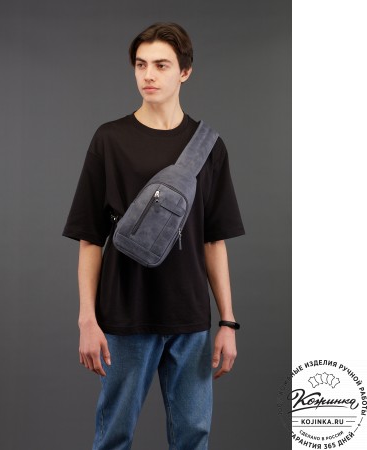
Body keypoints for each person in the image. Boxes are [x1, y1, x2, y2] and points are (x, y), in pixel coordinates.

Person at [62, 22, 245, 450]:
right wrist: (87, 320)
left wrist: (227, 322)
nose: (148, 75)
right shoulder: (110, 139)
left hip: (190, 320)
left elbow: (213, 241)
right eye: (141, 65)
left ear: (185, 72)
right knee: (114, 437)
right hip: (124, 316)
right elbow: (90, 239)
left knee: (193, 438)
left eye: (161, 65)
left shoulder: (209, 147)